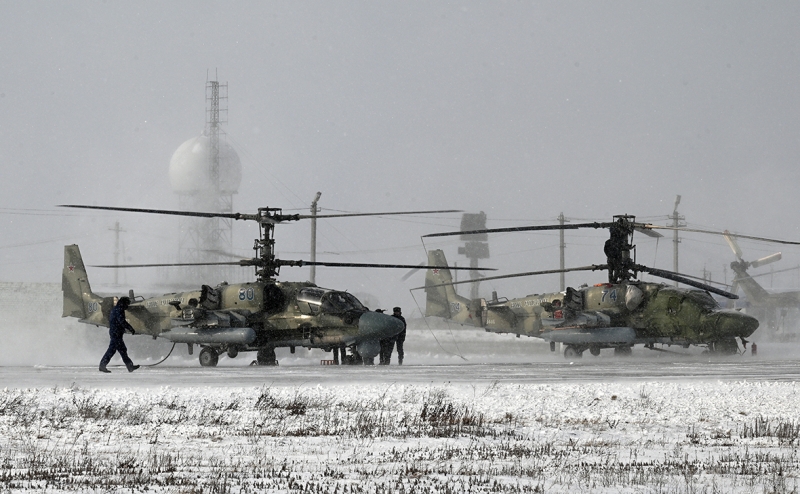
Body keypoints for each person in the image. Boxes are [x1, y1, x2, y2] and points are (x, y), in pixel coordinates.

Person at [99, 297, 140, 373]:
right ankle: (102, 365)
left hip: (115, 332)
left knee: (121, 350)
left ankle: (130, 366)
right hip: (116, 333)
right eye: (127, 304)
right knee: (115, 350)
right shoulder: (119, 310)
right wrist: (130, 328)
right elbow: (121, 321)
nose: (127, 306)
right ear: (123, 303)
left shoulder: (116, 309)